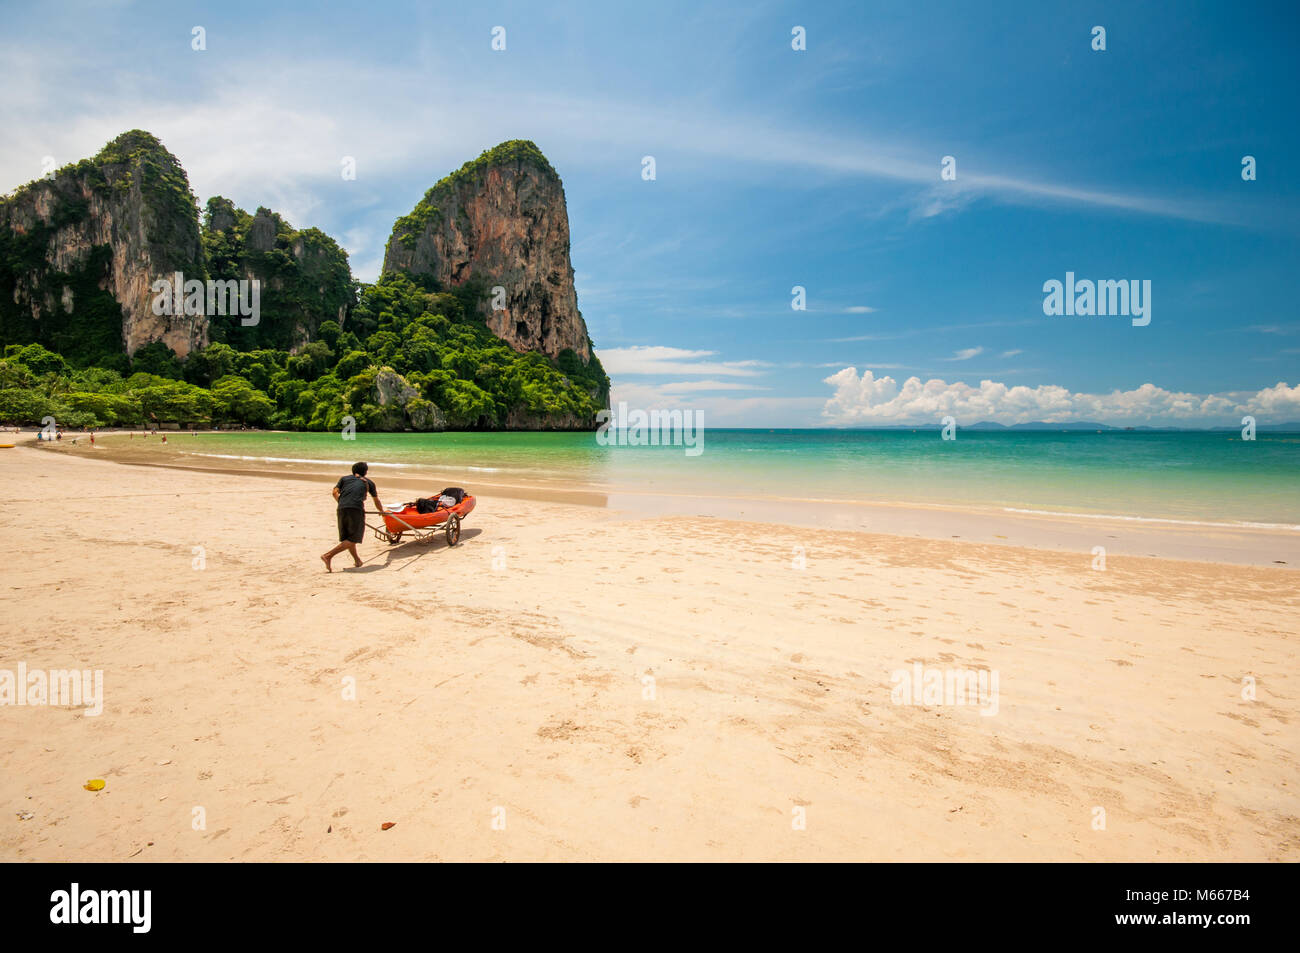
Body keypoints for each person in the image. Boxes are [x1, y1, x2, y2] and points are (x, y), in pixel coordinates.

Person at [321, 462, 384, 572]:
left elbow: (334, 492)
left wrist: (342, 503)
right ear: (365, 472)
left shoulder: (344, 479)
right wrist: (382, 511)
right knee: (354, 538)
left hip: (341, 508)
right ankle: (328, 556)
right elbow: (376, 500)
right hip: (355, 509)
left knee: (349, 538)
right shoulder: (368, 482)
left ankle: (357, 560)